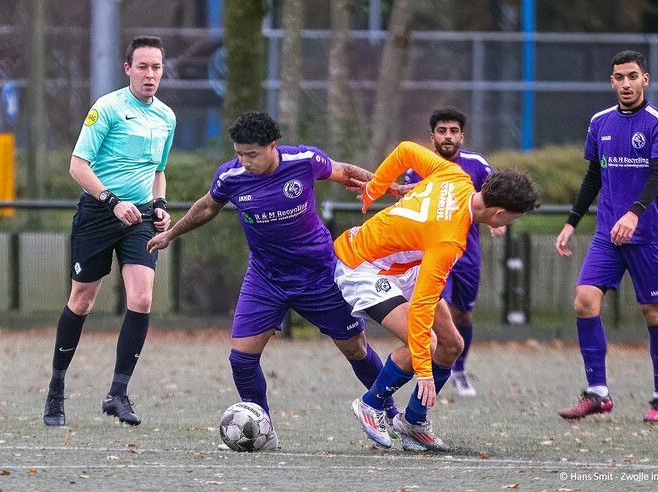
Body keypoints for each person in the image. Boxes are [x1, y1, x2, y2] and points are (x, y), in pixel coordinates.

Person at [147, 111, 405, 449]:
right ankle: (263, 429)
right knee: (241, 358)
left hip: (319, 275)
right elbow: (207, 207)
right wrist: (171, 235)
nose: (245, 161)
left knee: (355, 348)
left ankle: (388, 413)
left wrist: (392, 188)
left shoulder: (304, 160)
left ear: (273, 146)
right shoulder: (231, 176)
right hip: (266, 278)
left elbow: (346, 173)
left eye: (252, 154)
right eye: (239, 153)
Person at [334, 141, 539, 451]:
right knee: (425, 346)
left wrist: (375, 188)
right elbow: (422, 308)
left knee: (452, 344)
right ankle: (369, 403)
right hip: (362, 266)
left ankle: (413, 422)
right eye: (512, 219)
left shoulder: (456, 176)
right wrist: (424, 374)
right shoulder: (450, 241)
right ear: (498, 214)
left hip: (402, 265)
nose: (508, 225)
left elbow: (404, 150)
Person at [43, 36, 176, 427]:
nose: (150, 74)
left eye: (156, 67)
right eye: (143, 67)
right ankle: (56, 389)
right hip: (99, 214)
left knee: (142, 297)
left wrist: (161, 206)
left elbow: (158, 171)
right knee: (82, 301)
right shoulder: (107, 108)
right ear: (128, 69)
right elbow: (77, 165)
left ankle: (117, 393)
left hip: (140, 219)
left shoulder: (166, 117)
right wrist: (112, 200)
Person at [555, 50, 658, 423]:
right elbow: (594, 176)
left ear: (646, 79)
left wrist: (634, 213)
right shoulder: (599, 122)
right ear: (611, 82)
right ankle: (598, 393)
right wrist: (572, 222)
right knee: (584, 301)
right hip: (608, 235)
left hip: (649, 235)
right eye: (619, 77)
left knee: (653, 312)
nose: (626, 83)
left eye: (632, 76)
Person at [403, 109, 505, 397]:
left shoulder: (476, 165)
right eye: (442, 130)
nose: (448, 136)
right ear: (432, 136)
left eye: (453, 131)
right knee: (440, 310)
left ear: (462, 135)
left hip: (467, 254)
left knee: (462, 315)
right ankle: (431, 372)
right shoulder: (418, 167)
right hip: (435, 254)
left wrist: (498, 221)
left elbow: (498, 195)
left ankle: (459, 370)